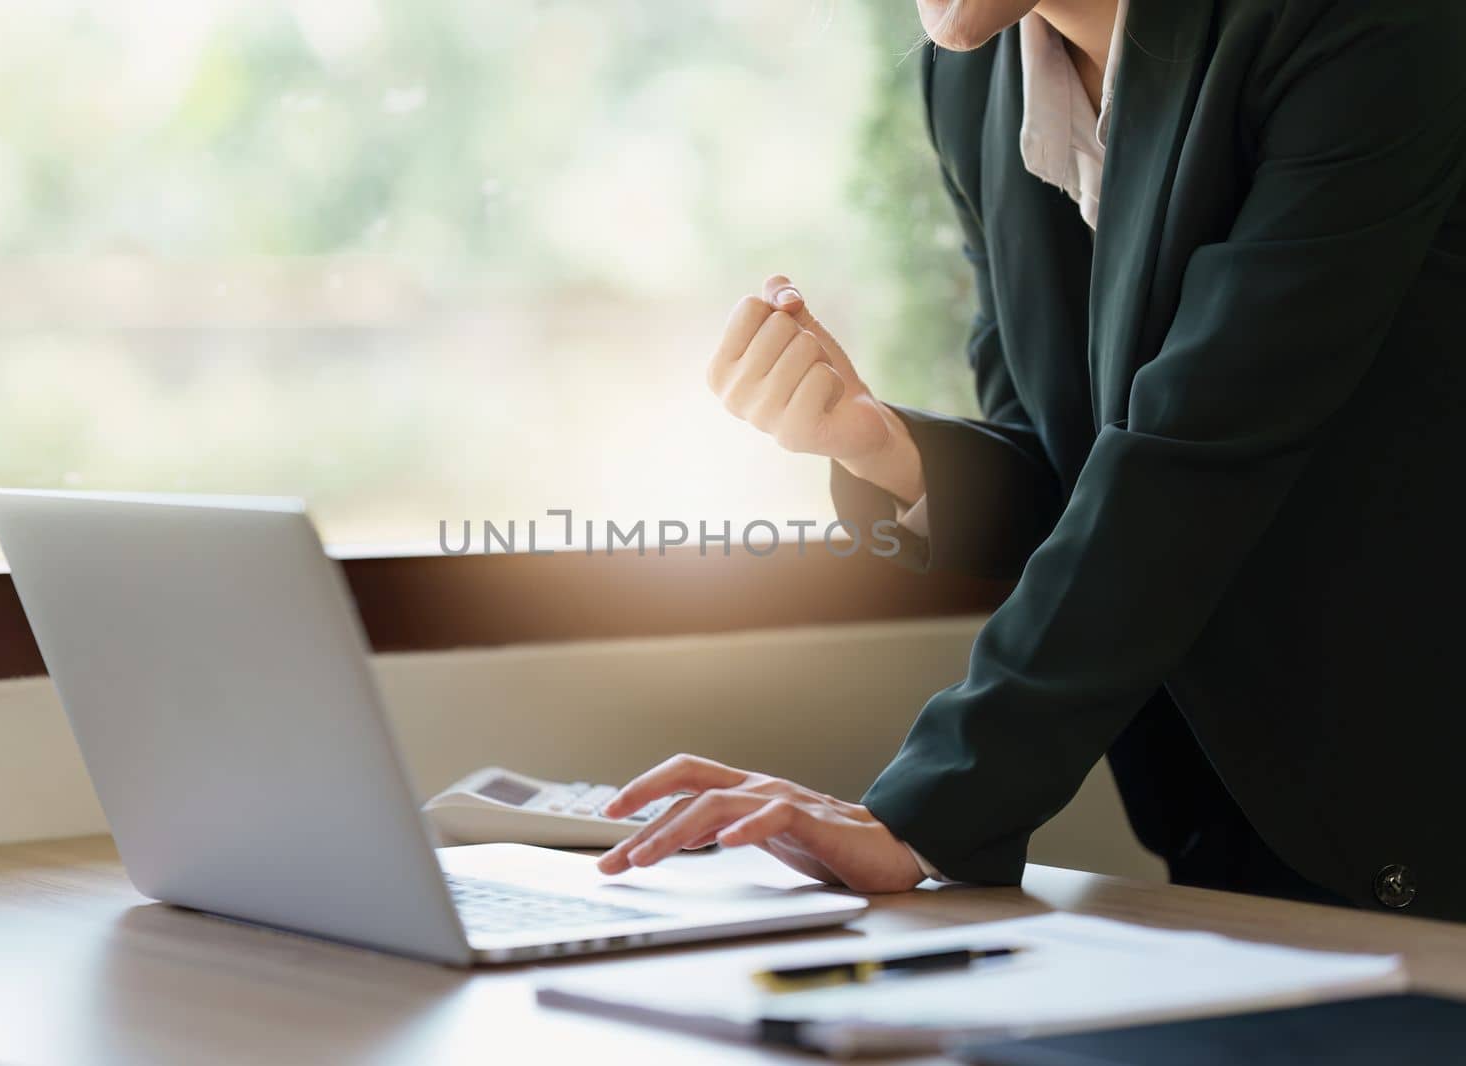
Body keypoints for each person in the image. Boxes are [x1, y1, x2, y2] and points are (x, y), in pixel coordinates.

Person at [596, 0, 1466, 921]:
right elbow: (1075, 474)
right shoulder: (973, 77)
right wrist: (884, 449)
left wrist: (919, 813)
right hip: (1240, 822)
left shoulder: (1362, 22)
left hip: (1421, 802)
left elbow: (1198, 456)